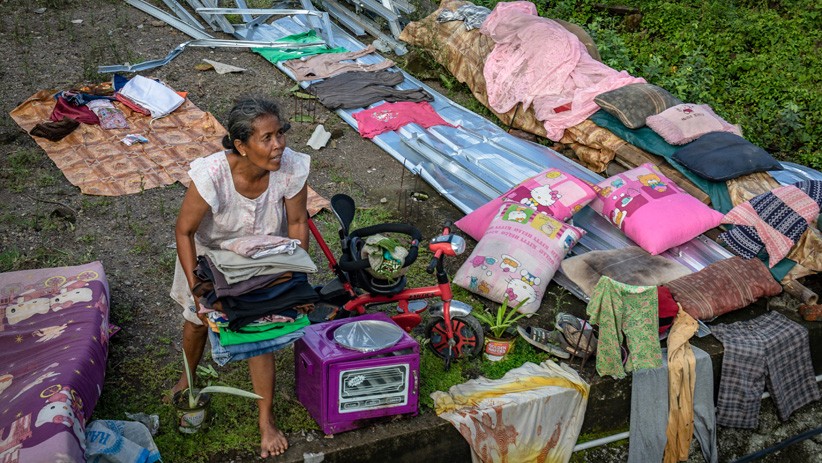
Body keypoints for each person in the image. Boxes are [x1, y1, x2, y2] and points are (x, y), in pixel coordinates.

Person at [169, 97, 309, 458]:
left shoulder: (290, 167)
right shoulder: (212, 175)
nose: (278, 145)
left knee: (256, 331)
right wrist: (199, 288)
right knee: (197, 322)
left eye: (280, 134)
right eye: (266, 138)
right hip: (209, 257)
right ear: (240, 145)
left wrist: (294, 280)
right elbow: (183, 231)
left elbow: (296, 224)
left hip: (264, 254)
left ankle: (266, 420)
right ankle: (189, 377)